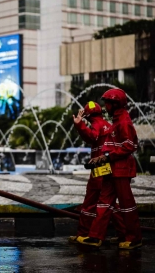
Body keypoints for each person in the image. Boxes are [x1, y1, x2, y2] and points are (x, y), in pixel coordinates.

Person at [77, 88, 142, 249]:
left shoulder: (124, 122)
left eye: (107, 103)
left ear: (115, 103)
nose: (105, 106)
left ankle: (134, 238)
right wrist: (103, 158)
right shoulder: (114, 122)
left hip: (121, 169)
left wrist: (106, 157)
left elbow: (130, 145)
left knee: (127, 204)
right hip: (110, 168)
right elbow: (111, 146)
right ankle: (95, 237)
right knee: (104, 203)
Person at [69, 101, 125, 244]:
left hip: (98, 168)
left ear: (87, 115)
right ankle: (124, 234)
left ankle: (84, 233)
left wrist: (79, 124)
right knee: (109, 203)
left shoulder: (96, 124)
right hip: (107, 166)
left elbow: (92, 136)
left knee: (90, 201)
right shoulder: (107, 124)